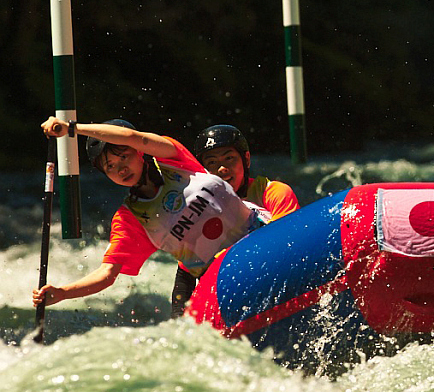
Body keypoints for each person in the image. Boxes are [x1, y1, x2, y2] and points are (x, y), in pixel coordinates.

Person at [32, 117, 267, 316]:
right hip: (223, 275)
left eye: (123, 157)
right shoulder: (130, 219)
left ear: (139, 153)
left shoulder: (172, 158)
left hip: (261, 236)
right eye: (110, 166)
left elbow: (134, 137)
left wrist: (73, 129)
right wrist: (63, 293)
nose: (121, 168)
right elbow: (107, 274)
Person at [164, 124, 303, 317]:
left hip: (277, 288)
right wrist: (178, 321)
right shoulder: (200, 213)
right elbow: (185, 275)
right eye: (212, 162)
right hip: (233, 298)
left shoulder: (274, 193)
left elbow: (290, 249)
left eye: (229, 158)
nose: (221, 169)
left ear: (246, 159)